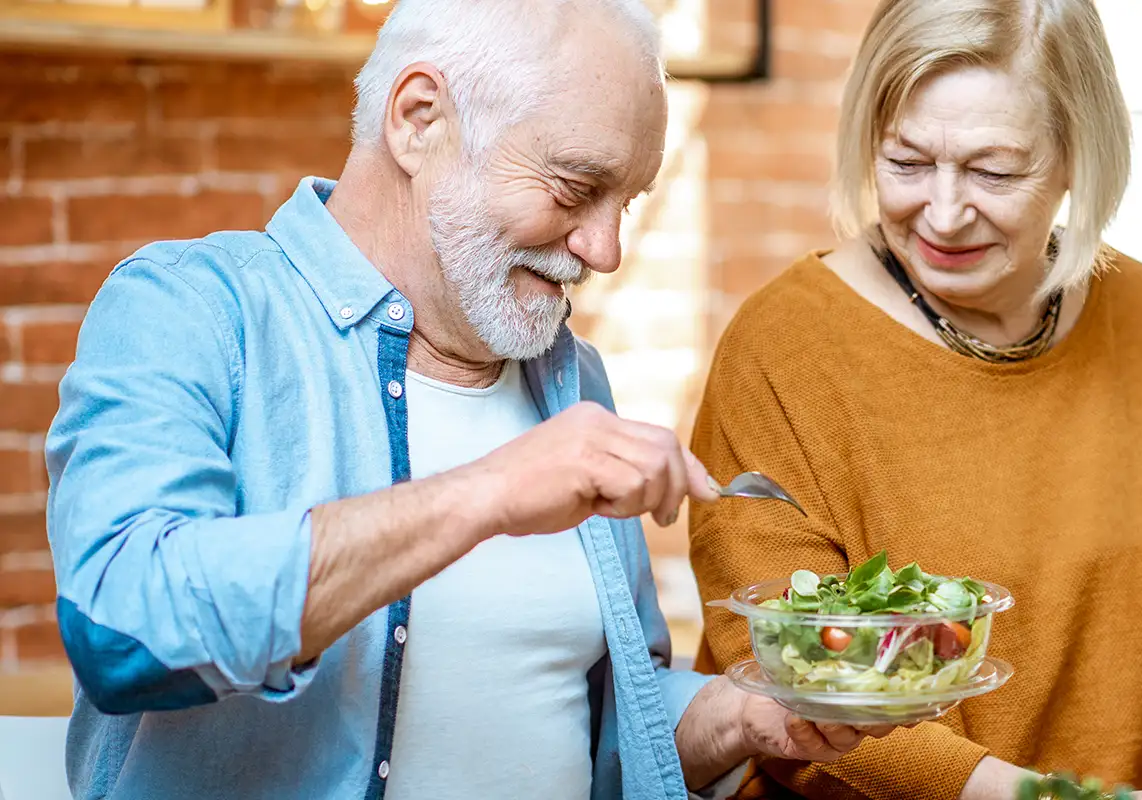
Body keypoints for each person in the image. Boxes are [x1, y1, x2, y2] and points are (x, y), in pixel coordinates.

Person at [43, 1, 889, 798]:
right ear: (419, 120)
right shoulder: (190, 309)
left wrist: (741, 718)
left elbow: (587, 730)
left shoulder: (571, 378)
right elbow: (121, 631)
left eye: (627, 203)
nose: (605, 250)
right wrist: (488, 492)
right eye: (574, 188)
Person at [687, 1, 1142, 798]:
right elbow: (797, 694)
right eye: (907, 162)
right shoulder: (783, 348)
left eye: (993, 172)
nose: (944, 213)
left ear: (1078, 157)